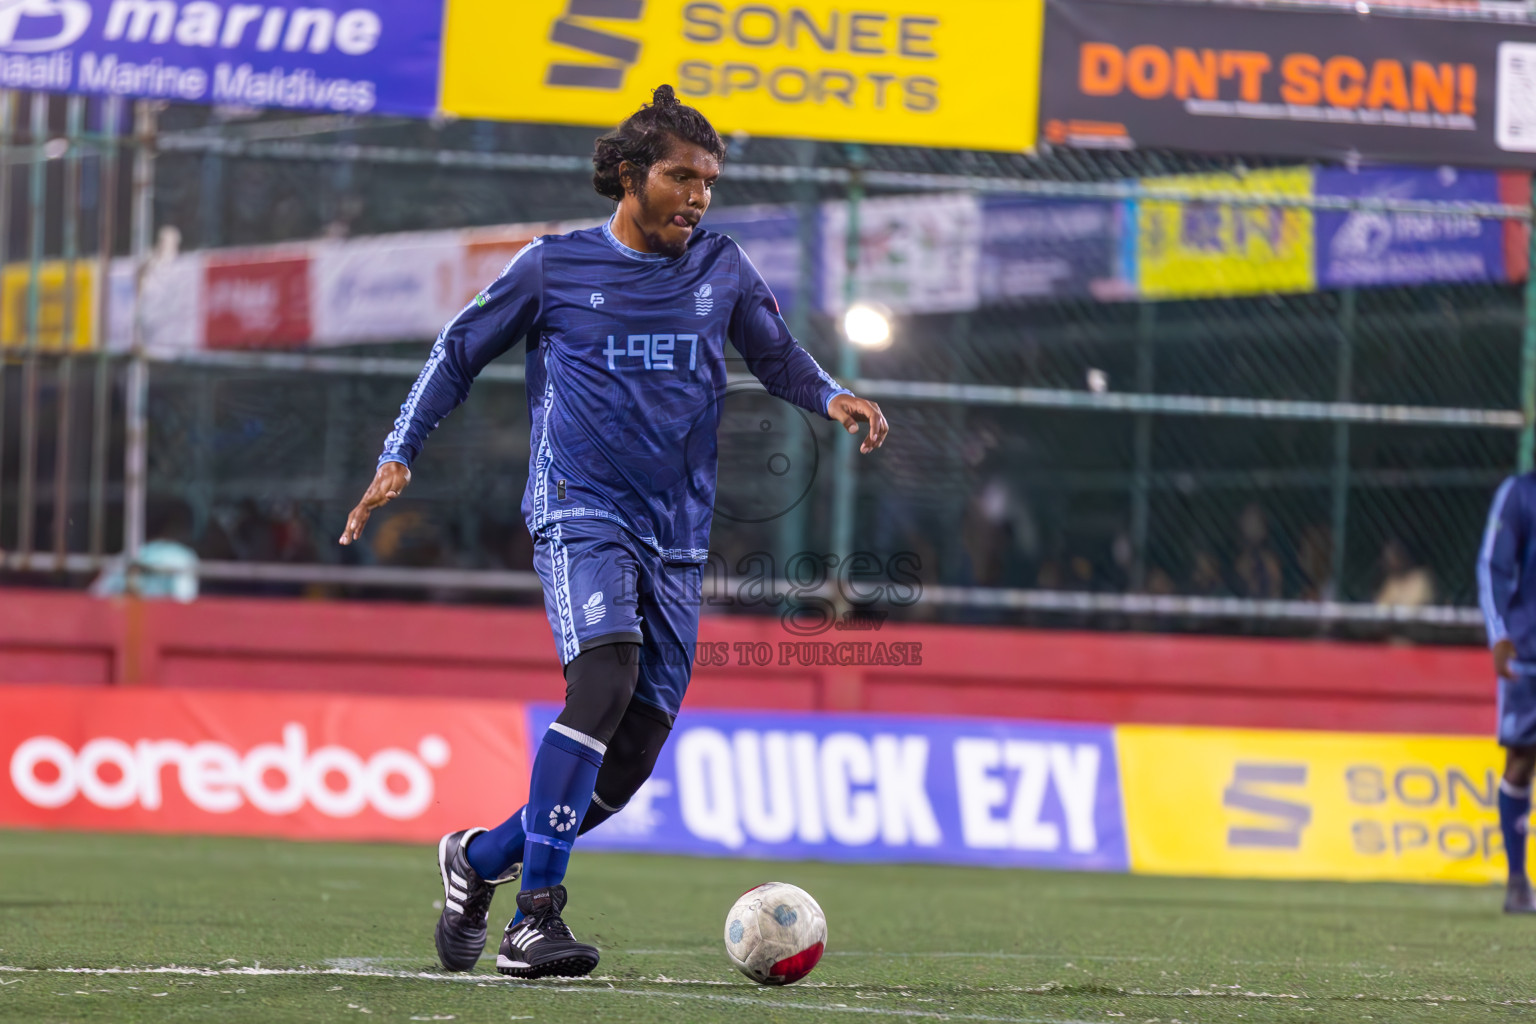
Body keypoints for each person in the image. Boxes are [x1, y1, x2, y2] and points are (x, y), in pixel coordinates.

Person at [338, 85, 888, 977]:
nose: (700, 195)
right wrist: (400, 452)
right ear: (631, 177)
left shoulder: (722, 268)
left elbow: (777, 355)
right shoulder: (552, 268)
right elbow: (457, 350)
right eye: (682, 176)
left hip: (676, 535)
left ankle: (475, 862)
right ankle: (535, 918)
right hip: (578, 509)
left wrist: (832, 395)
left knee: (624, 764)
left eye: (710, 180)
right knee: (603, 678)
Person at [1477, 473, 1536, 913]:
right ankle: (1517, 881)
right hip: (1528, 651)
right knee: (1521, 758)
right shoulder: (1519, 494)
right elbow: (1493, 565)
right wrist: (1499, 633)